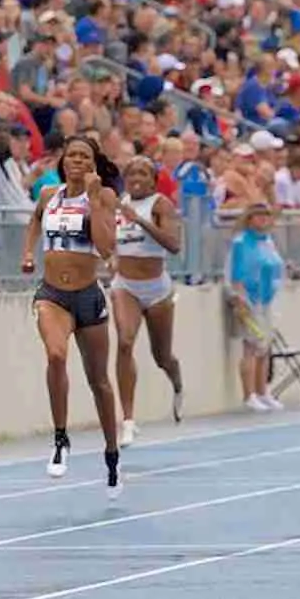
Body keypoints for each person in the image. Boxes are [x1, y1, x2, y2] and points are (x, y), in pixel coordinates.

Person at [21, 135, 123, 498]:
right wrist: (28, 253)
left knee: (99, 382)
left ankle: (111, 454)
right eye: (71, 155)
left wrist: (95, 199)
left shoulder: (104, 197)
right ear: (63, 161)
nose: (76, 161)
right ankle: (61, 438)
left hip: (87, 296)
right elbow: (34, 221)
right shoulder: (49, 195)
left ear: (94, 163)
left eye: (84, 156)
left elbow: (106, 246)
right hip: (52, 294)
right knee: (55, 355)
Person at [111, 155, 184, 447]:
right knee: (125, 342)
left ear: (153, 179)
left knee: (161, 356)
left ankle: (177, 383)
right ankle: (127, 420)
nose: (136, 178)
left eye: (143, 173)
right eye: (131, 174)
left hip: (157, 289)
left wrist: (140, 220)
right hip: (124, 285)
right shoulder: (117, 204)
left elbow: (174, 245)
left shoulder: (160, 205)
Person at [224, 202, 285, 411]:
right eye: (258, 216)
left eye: (266, 216)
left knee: (264, 347)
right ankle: (249, 394)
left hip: (268, 298)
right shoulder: (241, 242)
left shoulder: (267, 241)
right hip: (249, 299)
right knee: (250, 347)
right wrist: (237, 296)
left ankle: (263, 390)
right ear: (249, 219)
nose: (263, 220)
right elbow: (234, 271)